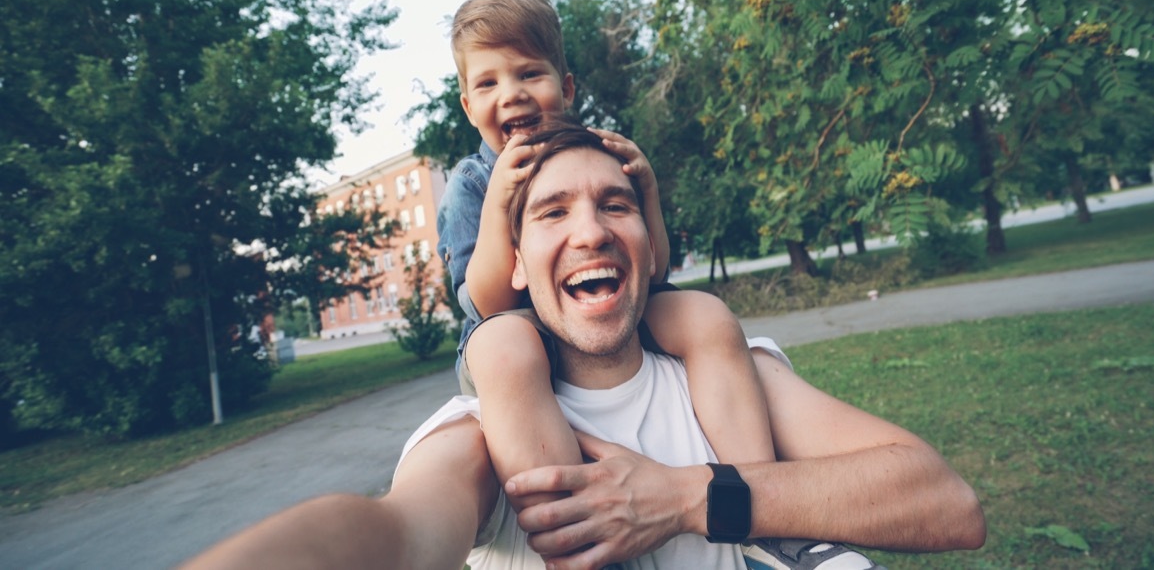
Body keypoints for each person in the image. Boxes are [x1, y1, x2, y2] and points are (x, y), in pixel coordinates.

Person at [184, 125, 985, 569]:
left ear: (647, 239)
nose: (592, 229)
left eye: (614, 204)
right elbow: (391, 536)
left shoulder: (732, 373)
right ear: (521, 269)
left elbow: (947, 501)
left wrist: (688, 497)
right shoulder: (483, 431)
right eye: (553, 212)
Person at [435, 0, 775, 516]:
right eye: (488, 82)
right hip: (518, 328)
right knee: (506, 346)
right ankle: (575, 531)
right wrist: (500, 201)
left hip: (607, 310)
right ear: (468, 105)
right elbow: (485, 304)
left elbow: (656, 270)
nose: (512, 94)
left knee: (702, 313)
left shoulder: (599, 154)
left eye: (529, 73)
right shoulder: (472, 182)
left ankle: (763, 500)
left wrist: (650, 194)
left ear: (565, 87)